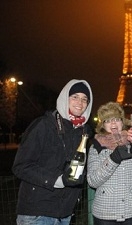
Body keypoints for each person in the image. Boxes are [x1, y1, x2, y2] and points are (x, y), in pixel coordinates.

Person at [12, 79, 93, 225]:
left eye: (84, 99)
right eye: (75, 97)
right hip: (37, 213)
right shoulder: (43, 125)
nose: (80, 103)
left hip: (65, 213)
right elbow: (20, 166)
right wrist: (58, 180)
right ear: (64, 98)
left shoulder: (83, 132)